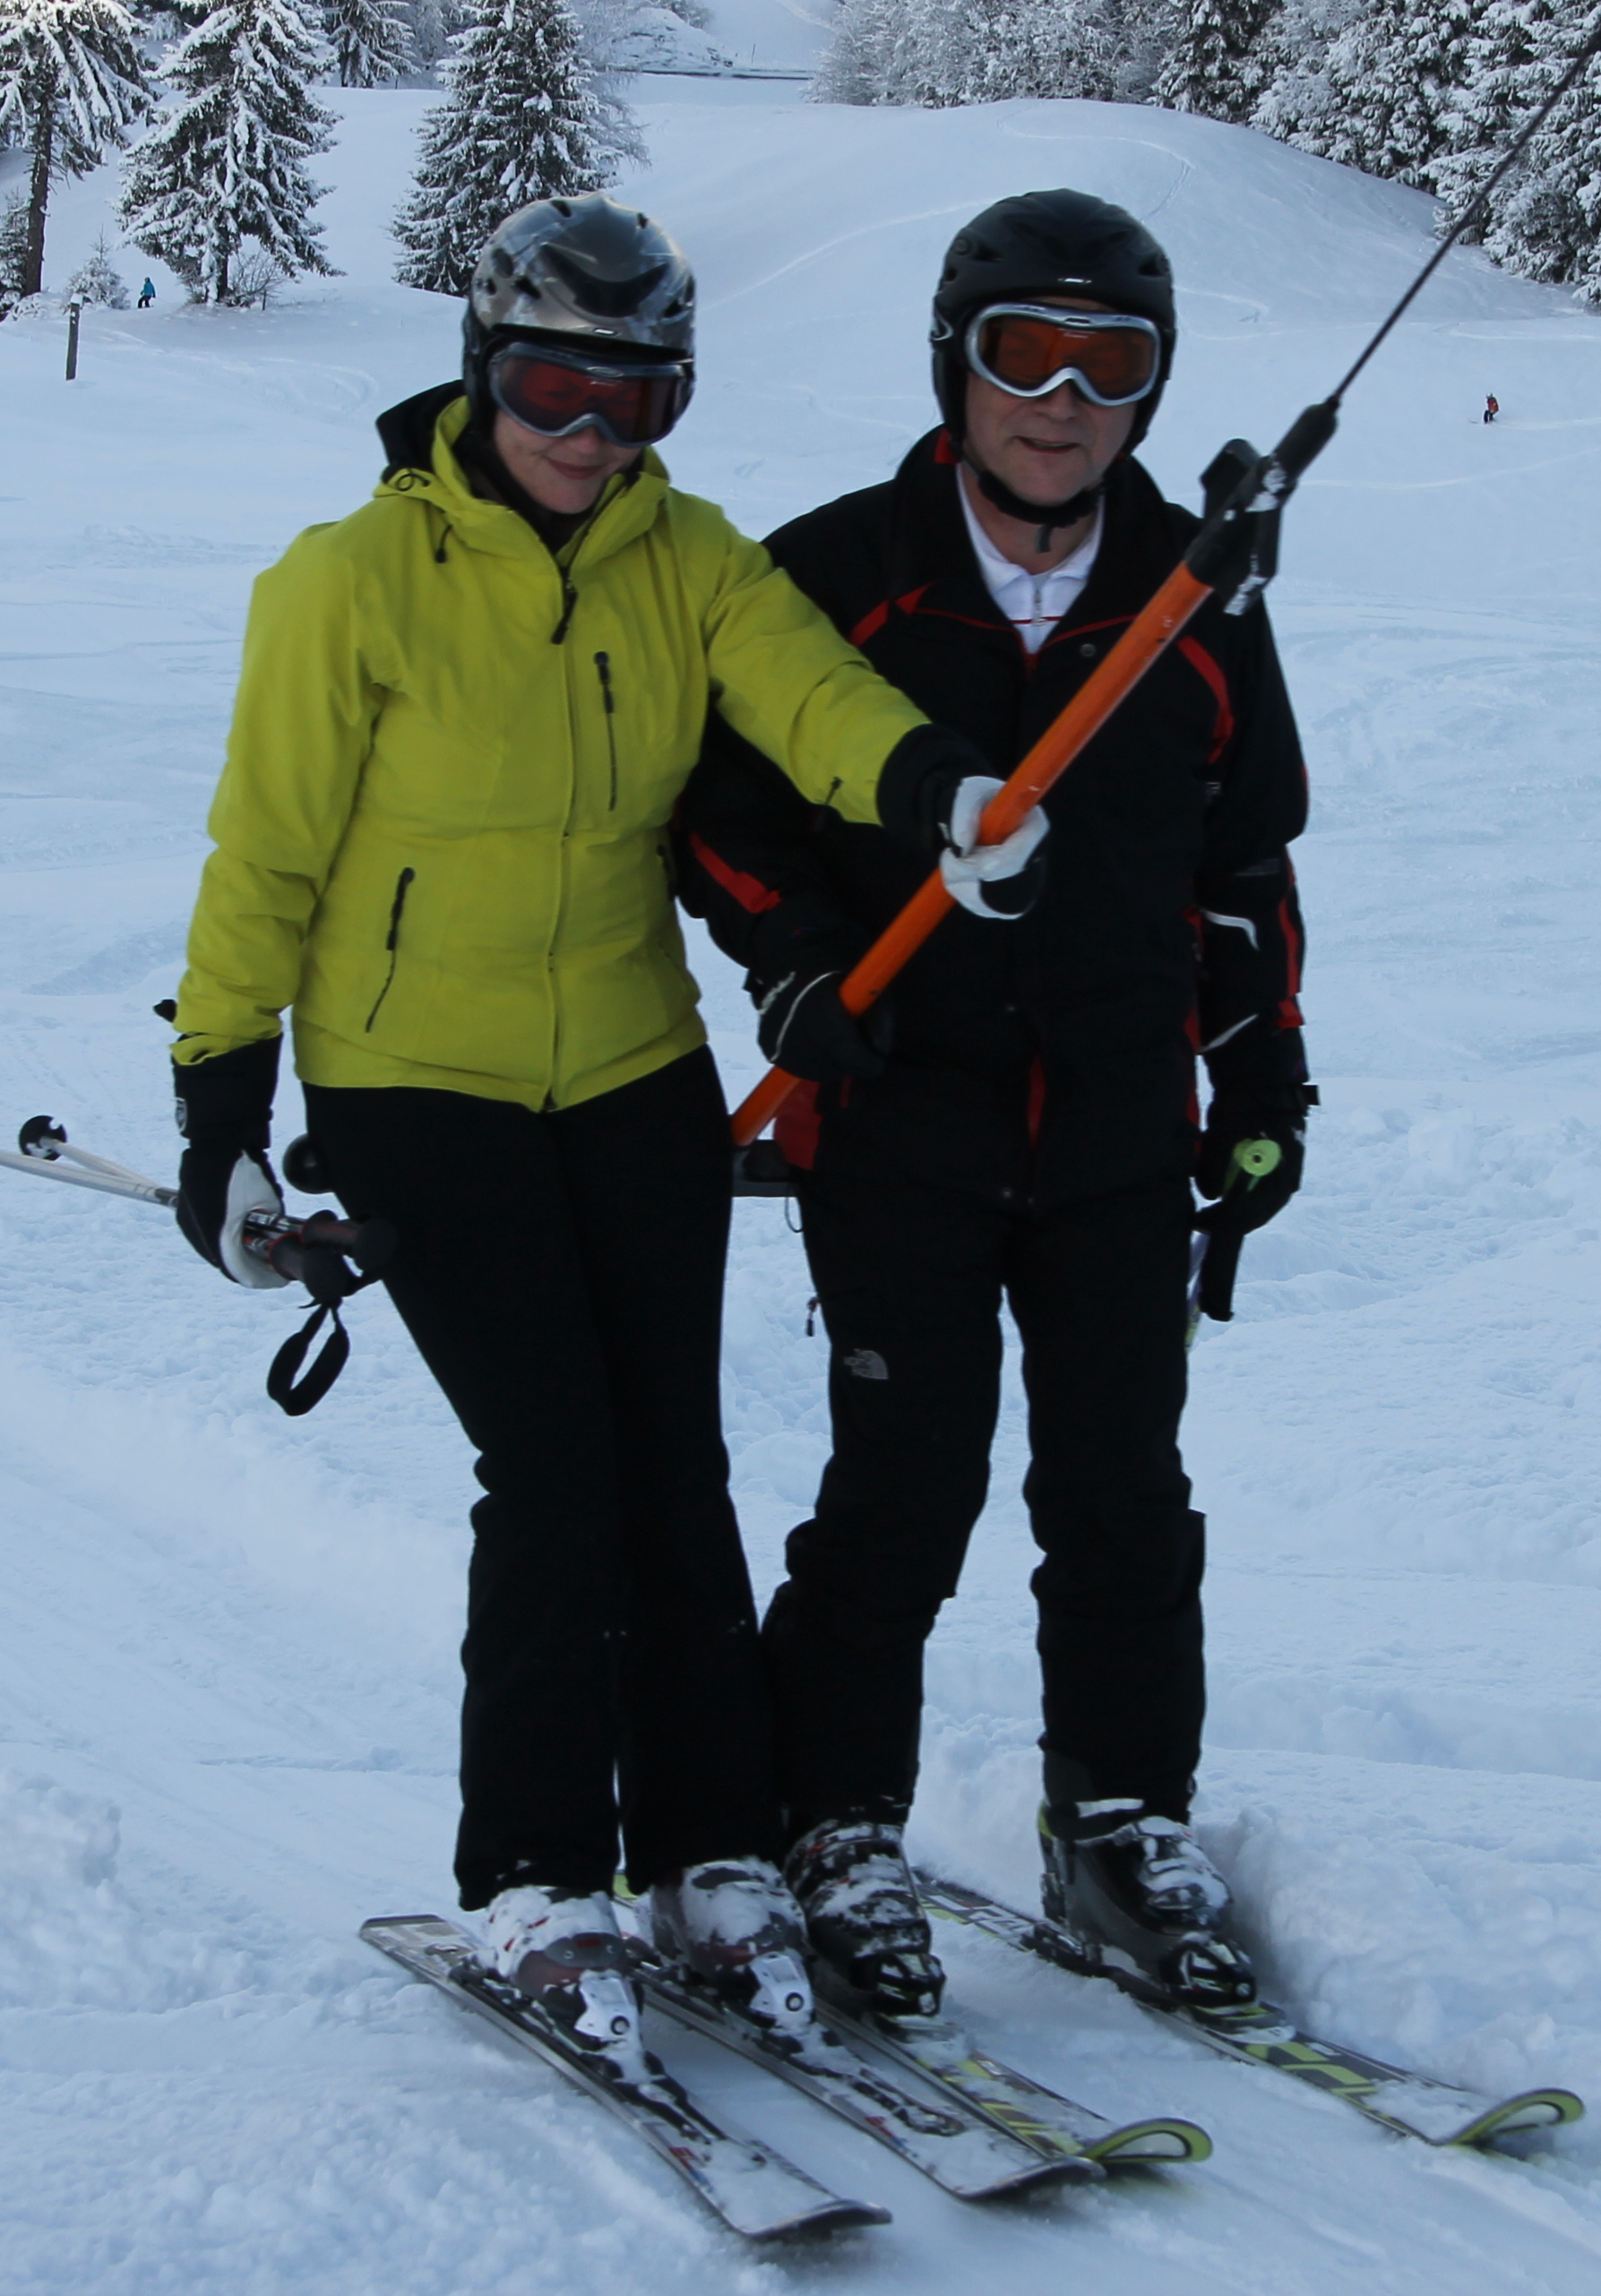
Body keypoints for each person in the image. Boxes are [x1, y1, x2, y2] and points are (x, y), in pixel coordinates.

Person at [167, 195, 1042, 2059]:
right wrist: (220, 1105)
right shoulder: (350, 581)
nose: (592, 431)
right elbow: (264, 854)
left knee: (673, 1466)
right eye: (555, 386)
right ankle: (536, 1875)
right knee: (555, 1470)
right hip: (414, 1080)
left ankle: (709, 1850)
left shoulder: (687, 558)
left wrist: (934, 791)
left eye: (639, 396)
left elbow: (814, 697)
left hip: (636, 1066)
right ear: (483, 372)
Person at [674, 193, 1313, 2017]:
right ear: (953, 366)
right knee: (904, 1482)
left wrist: (1260, 1075)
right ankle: (833, 1820)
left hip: (1117, 1127)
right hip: (903, 1119)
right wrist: (799, 963)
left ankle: (1118, 1814)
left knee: (1124, 1490)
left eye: (1110, 365)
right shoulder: (836, 573)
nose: (1062, 401)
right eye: (1022, 353)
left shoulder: (1196, 595)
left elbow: (1242, 863)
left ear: (1152, 391)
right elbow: (718, 812)